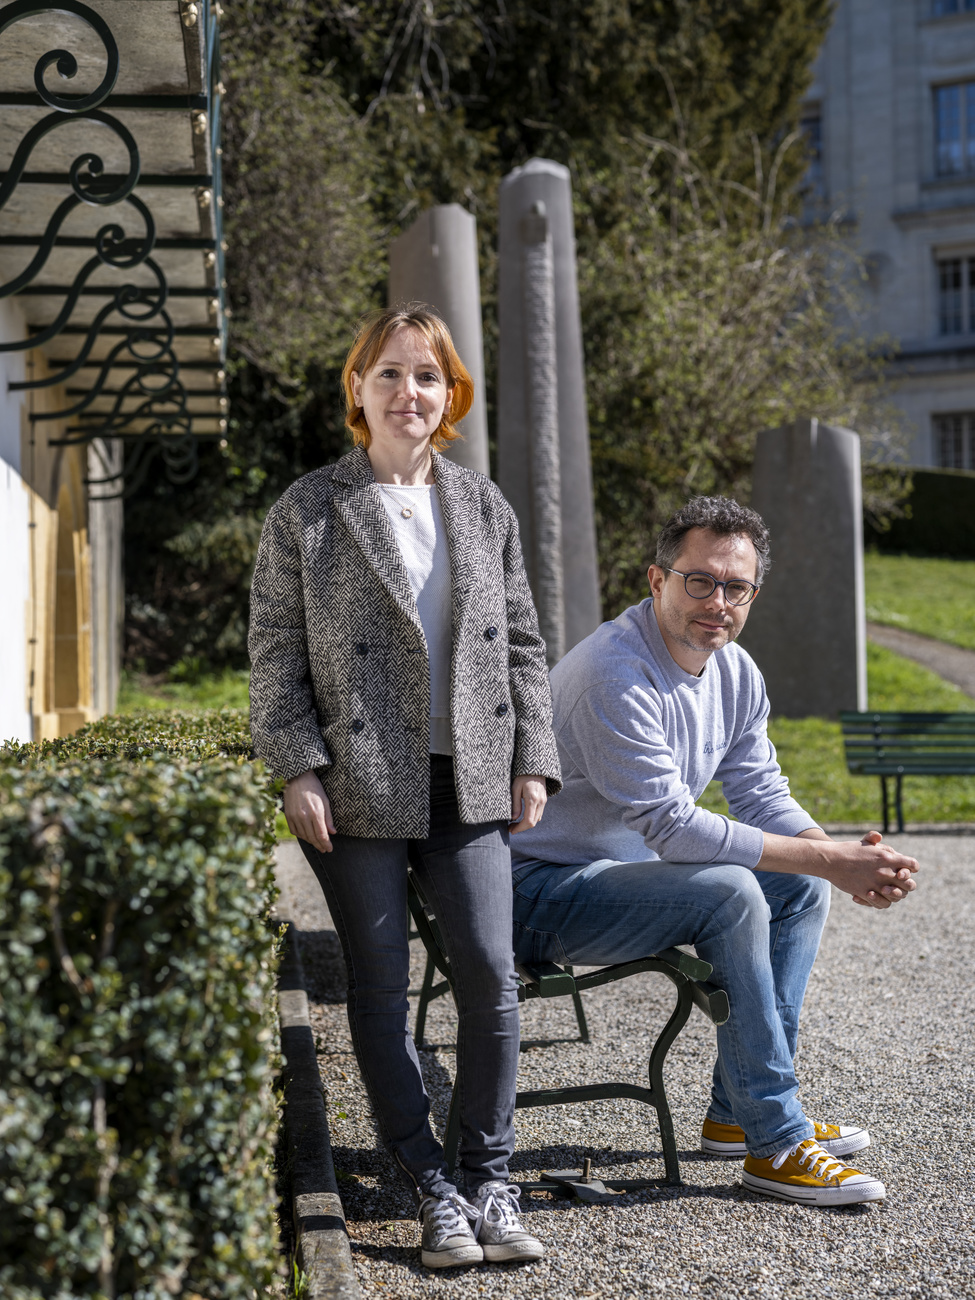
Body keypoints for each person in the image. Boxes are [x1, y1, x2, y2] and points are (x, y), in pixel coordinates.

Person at [248, 304, 561, 1267]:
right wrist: (296, 766)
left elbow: (520, 641)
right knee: (380, 993)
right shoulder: (308, 508)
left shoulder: (482, 505)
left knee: (490, 980)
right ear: (356, 387)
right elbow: (273, 654)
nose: (407, 392)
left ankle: (489, 1178)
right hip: (357, 780)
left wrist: (532, 756)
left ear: (449, 394)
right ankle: (431, 1189)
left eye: (426, 376)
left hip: (469, 776)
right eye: (388, 373)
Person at [509, 495, 919, 1207]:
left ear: (752, 594)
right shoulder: (615, 671)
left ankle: (737, 1115)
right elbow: (673, 828)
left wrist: (840, 857)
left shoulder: (734, 672)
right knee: (731, 891)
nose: (717, 601)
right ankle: (776, 1142)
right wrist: (832, 861)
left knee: (798, 885)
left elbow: (760, 790)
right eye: (699, 580)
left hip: (614, 875)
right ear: (656, 579)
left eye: (736, 587)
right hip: (537, 890)